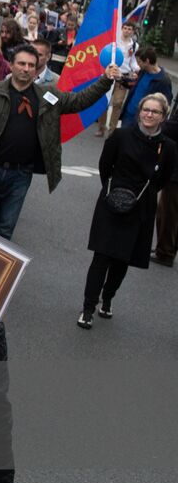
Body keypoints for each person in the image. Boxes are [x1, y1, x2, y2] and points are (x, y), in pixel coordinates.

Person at [0, 44, 119, 240]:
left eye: (31, 65)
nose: (26, 68)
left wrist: (105, 80)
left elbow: (80, 100)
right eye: (21, 63)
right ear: (11, 65)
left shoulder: (47, 95)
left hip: (20, 174)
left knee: (4, 229)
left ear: (36, 69)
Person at [78, 92, 176, 328]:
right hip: (112, 202)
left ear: (163, 117)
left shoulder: (169, 147)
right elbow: (105, 166)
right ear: (139, 111)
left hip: (141, 207)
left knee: (122, 260)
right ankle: (88, 308)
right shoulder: (120, 136)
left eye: (155, 111)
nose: (149, 114)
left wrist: (142, 195)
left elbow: (162, 178)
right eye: (146, 109)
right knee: (101, 257)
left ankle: (108, 298)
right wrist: (115, 193)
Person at [119, 45, 171, 126]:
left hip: (142, 121)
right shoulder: (143, 72)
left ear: (147, 61)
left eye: (139, 62)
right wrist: (120, 78)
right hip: (128, 116)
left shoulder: (163, 81)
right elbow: (133, 85)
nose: (138, 64)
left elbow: (165, 105)